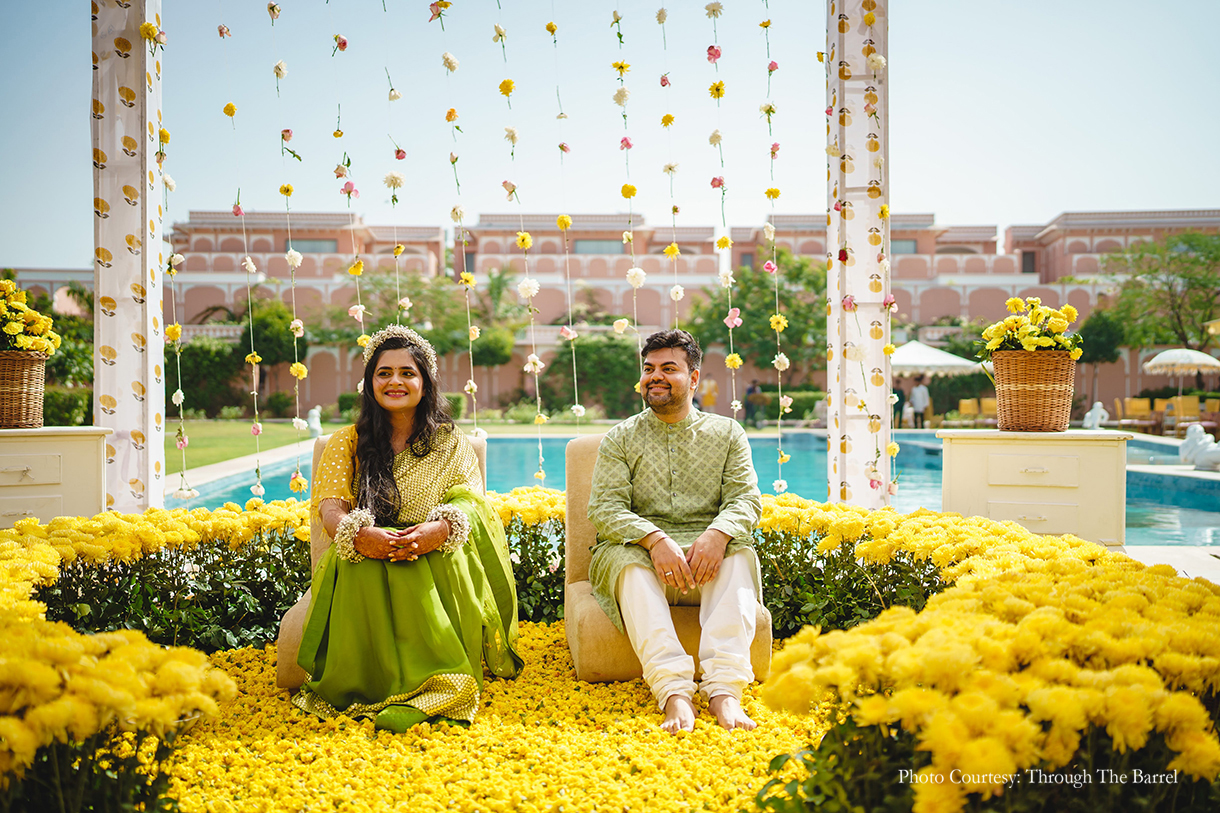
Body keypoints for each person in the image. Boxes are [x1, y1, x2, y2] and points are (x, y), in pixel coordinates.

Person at [293, 325, 522, 731]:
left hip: (434, 546)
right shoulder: (347, 441)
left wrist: (436, 531)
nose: (395, 381)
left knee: (447, 557)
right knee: (355, 565)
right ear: (369, 383)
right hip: (366, 545)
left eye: (406, 373)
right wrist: (360, 535)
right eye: (384, 373)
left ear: (425, 382)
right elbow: (330, 506)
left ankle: (441, 680)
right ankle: (367, 684)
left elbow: (470, 500)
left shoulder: (450, 441)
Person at [588, 330, 763, 734]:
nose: (655, 377)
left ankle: (724, 692)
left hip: (707, 555)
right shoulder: (621, 437)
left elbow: (746, 500)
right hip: (638, 552)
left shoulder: (728, 434)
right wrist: (654, 539)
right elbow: (604, 508)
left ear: (695, 378)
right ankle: (674, 693)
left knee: (737, 555)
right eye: (649, 369)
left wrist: (717, 535)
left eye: (669, 368)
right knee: (628, 566)